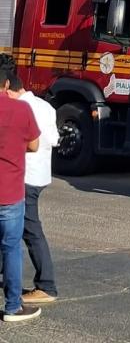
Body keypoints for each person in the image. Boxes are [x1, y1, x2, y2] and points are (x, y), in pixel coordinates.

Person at [6, 74, 58, 305]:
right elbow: (55, 139)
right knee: (20, 229)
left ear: (9, 90)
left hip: (25, 175)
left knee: (30, 230)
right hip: (41, 175)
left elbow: (23, 142)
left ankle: (46, 284)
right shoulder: (45, 106)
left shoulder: (20, 108)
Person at [0, 65, 41, 323]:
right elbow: (35, 145)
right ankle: (13, 306)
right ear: (6, 85)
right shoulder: (21, 109)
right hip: (10, 192)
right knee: (11, 248)